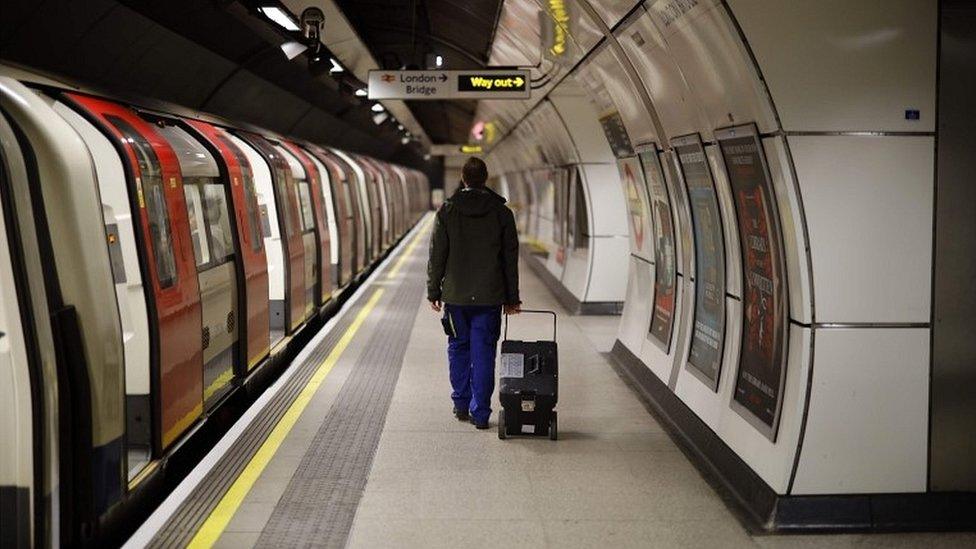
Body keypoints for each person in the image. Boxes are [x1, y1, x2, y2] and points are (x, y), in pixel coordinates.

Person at [427, 157, 521, 430]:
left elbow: (437, 255)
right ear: (486, 178)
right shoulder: (502, 213)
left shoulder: (447, 211)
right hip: (489, 297)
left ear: (463, 178)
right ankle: (480, 413)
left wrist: (433, 289)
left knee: (458, 347)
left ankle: (460, 403)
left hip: (455, 298)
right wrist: (512, 298)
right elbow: (509, 259)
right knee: (484, 353)